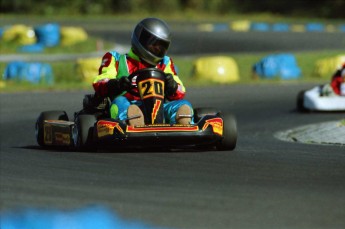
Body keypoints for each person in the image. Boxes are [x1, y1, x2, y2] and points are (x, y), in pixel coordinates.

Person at [92, 17, 193, 126]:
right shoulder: (116, 59)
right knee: (120, 102)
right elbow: (100, 82)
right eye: (154, 44)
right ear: (141, 39)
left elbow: (181, 91)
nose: (158, 49)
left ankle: (182, 124)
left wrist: (172, 86)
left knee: (183, 104)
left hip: (158, 109)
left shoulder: (165, 63)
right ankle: (132, 122)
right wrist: (117, 84)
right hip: (128, 104)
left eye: (161, 46)